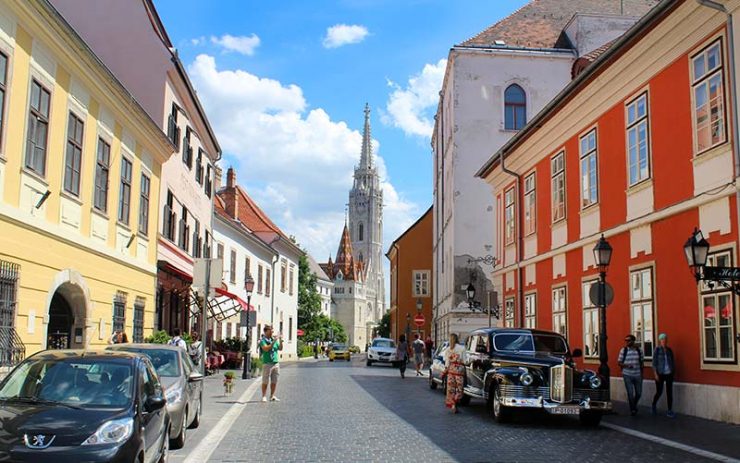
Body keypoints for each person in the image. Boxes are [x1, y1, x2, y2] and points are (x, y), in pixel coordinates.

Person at [618, 334, 644, 416]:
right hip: (627, 374)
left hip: (637, 374)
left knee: (639, 393)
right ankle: (633, 409)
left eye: (628, 340)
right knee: (630, 393)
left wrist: (642, 374)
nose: (626, 342)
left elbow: (641, 362)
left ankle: (634, 405)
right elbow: (619, 362)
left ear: (633, 341)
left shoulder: (639, 350)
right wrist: (627, 366)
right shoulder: (623, 350)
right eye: (626, 340)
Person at [652, 333, 676, 418]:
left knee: (669, 392)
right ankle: (654, 404)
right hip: (660, 373)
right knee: (659, 391)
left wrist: (673, 371)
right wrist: (655, 374)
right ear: (660, 341)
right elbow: (654, 363)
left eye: (665, 339)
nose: (664, 341)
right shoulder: (657, 350)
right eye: (662, 340)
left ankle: (669, 410)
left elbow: (672, 361)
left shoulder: (669, 350)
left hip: (668, 373)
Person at [444, 333, 466, 414]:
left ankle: (453, 404)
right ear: (457, 339)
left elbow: (446, 362)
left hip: (450, 371)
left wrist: (445, 370)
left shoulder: (448, 349)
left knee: (451, 389)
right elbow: (465, 360)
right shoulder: (462, 348)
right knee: (459, 389)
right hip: (459, 371)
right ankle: (456, 401)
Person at [259, 325, 283, 402]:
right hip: (267, 363)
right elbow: (266, 349)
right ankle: (263, 396)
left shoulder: (274, 339)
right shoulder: (263, 341)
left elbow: (280, 348)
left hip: (275, 363)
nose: (272, 331)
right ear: (266, 331)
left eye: (272, 330)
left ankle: (272, 396)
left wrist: (280, 340)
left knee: (274, 381)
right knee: (265, 381)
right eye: (271, 330)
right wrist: (273, 341)